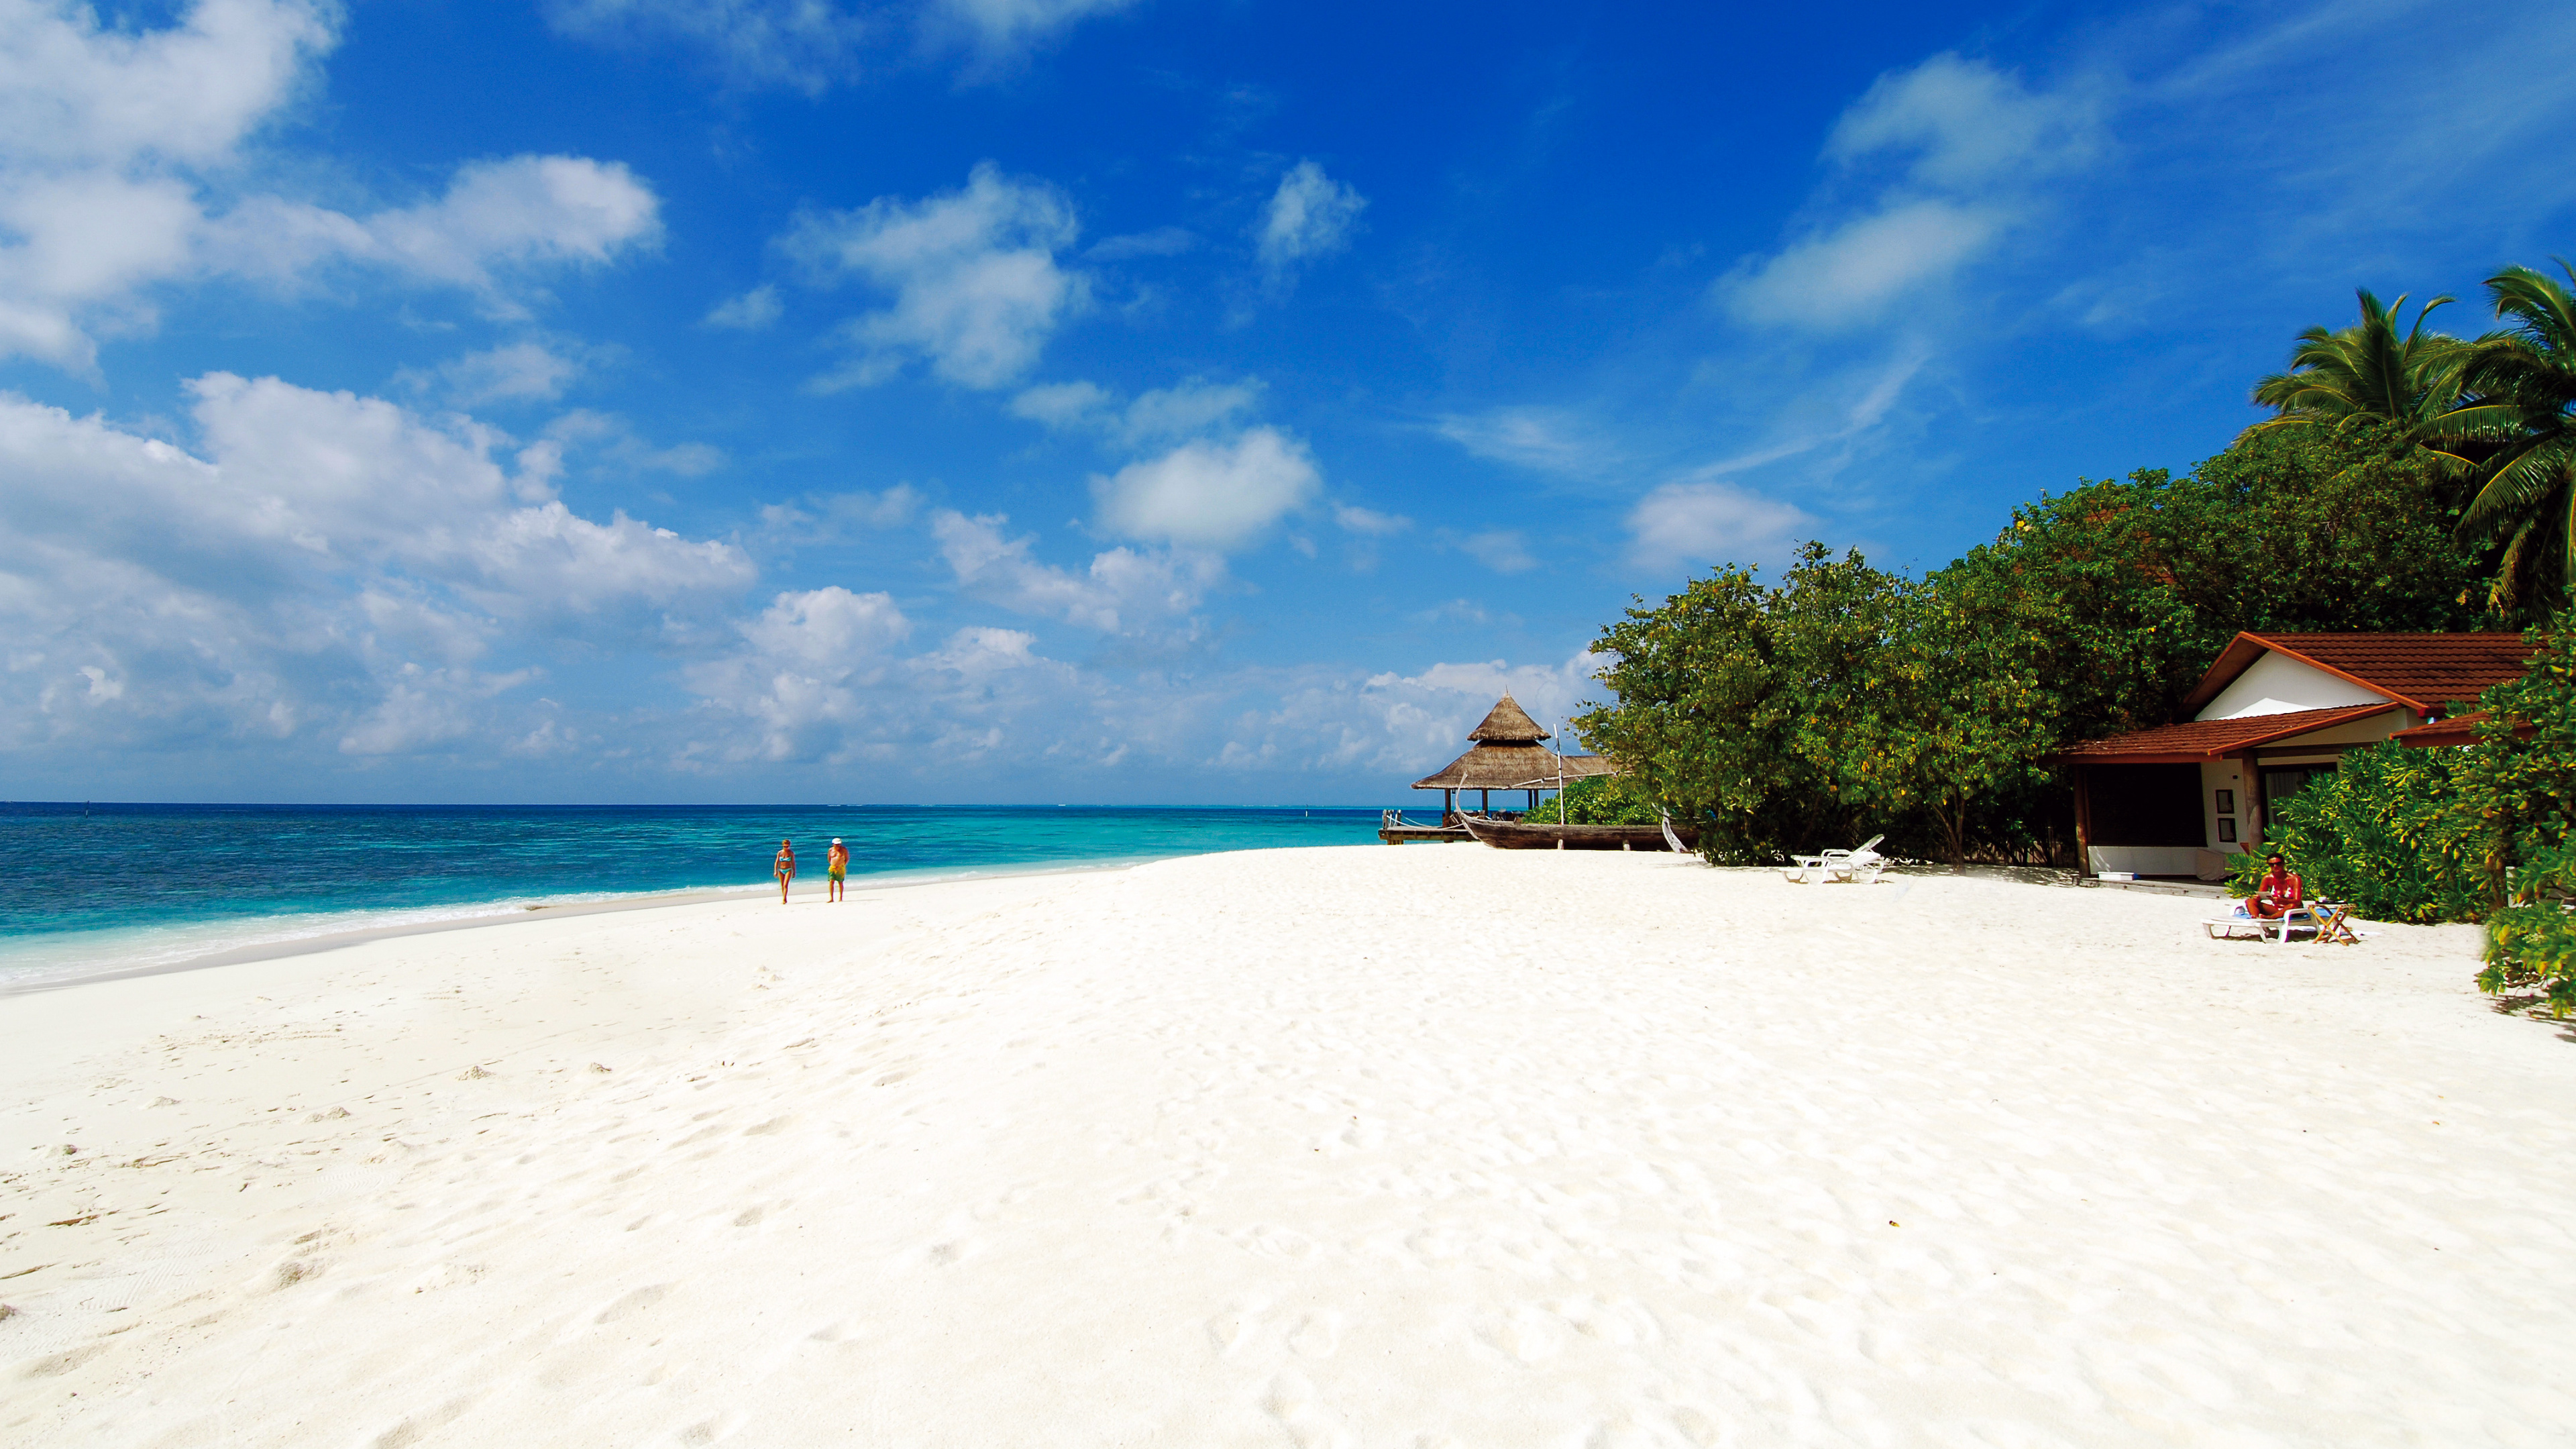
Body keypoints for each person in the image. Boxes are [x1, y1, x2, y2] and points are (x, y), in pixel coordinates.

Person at [2249, 852, 2303, 919]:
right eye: (2272, 864)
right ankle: (2255, 918)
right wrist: (2257, 898)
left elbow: (2297, 901)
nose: (2275, 866)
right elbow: (2261, 895)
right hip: (2276, 909)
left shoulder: (2295, 879)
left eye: (2278, 864)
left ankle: (2271, 918)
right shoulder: (2267, 878)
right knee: (2250, 901)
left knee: (2292, 905)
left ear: (2283, 864)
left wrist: (2282, 901)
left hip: (2292, 910)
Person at [826, 837, 849, 903]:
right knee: (831, 882)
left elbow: (847, 858)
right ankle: (831, 898)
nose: (838, 846)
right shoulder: (831, 850)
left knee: (840, 882)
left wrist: (842, 864)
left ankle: (840, 898)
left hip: (840, 868)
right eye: (836, 844)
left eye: (839, 844)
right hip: (833, 868)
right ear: (833, 844)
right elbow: (829, 859)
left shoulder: (844, 850)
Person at [773, 839, 796, 904]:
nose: (786, 848)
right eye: (785, 847)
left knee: (785, 885)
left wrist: (794, 872)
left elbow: (793, 862)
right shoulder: (780, 853)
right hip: (781, 870)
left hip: (788, 869)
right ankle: (784, 897)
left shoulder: (791, 853)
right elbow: (777, 862)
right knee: (782, 885)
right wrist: (775, 871)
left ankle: (784, 899)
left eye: (787, 847)